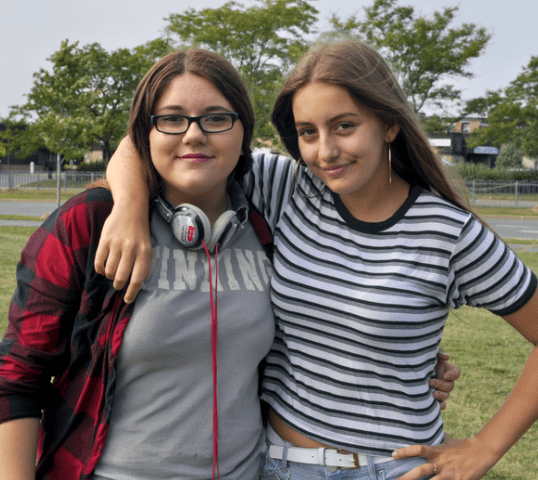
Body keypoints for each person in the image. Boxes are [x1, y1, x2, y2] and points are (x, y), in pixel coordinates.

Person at [97, 41, 478, 480]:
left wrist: (481, 446)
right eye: (308, 132)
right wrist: (129, 208)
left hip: (393, 466)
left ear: (389, 124)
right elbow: (142, 141)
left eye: (345, 126)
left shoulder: (447, 229)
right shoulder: (288, 186)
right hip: (283, 463)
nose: (327, 151)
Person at [0, 48, 278, 480]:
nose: (194, 135)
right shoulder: (91, 222)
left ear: (244, 132)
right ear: (144, 134)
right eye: (171, 119)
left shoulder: (264, 224)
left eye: (216, 118)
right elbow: (18, 377)